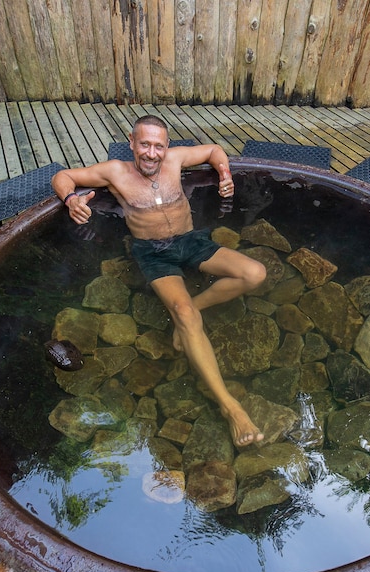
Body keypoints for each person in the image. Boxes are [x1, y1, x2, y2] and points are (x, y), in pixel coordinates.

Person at [52, 115, 266, 447]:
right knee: (183, 314)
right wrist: (71, 200)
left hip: (190, 241)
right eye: (145, 144)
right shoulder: (115, 172)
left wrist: (224, 175)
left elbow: (214, 150)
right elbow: (62, 176)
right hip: (153, 253)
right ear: (132, 142)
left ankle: (189, 312)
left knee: (255, 273)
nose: (151, 153)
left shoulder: (176, 159)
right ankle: (231, 406)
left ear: (167, 146)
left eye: (158, 146)